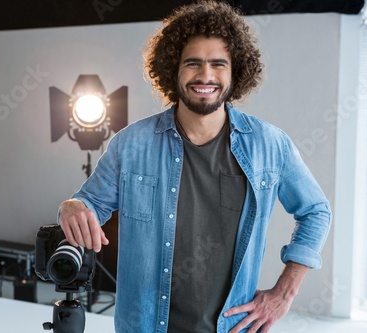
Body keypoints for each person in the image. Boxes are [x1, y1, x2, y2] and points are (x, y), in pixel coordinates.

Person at [58, 1, 331, 332]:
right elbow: (92, 205)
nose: (205, 76)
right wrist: (72, 206)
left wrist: (284, 292)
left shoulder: (270, 146)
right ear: (173, 69)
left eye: (218, 64)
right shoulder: (131, 144)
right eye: (193, 63)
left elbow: (316, 211)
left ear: (235, 71)